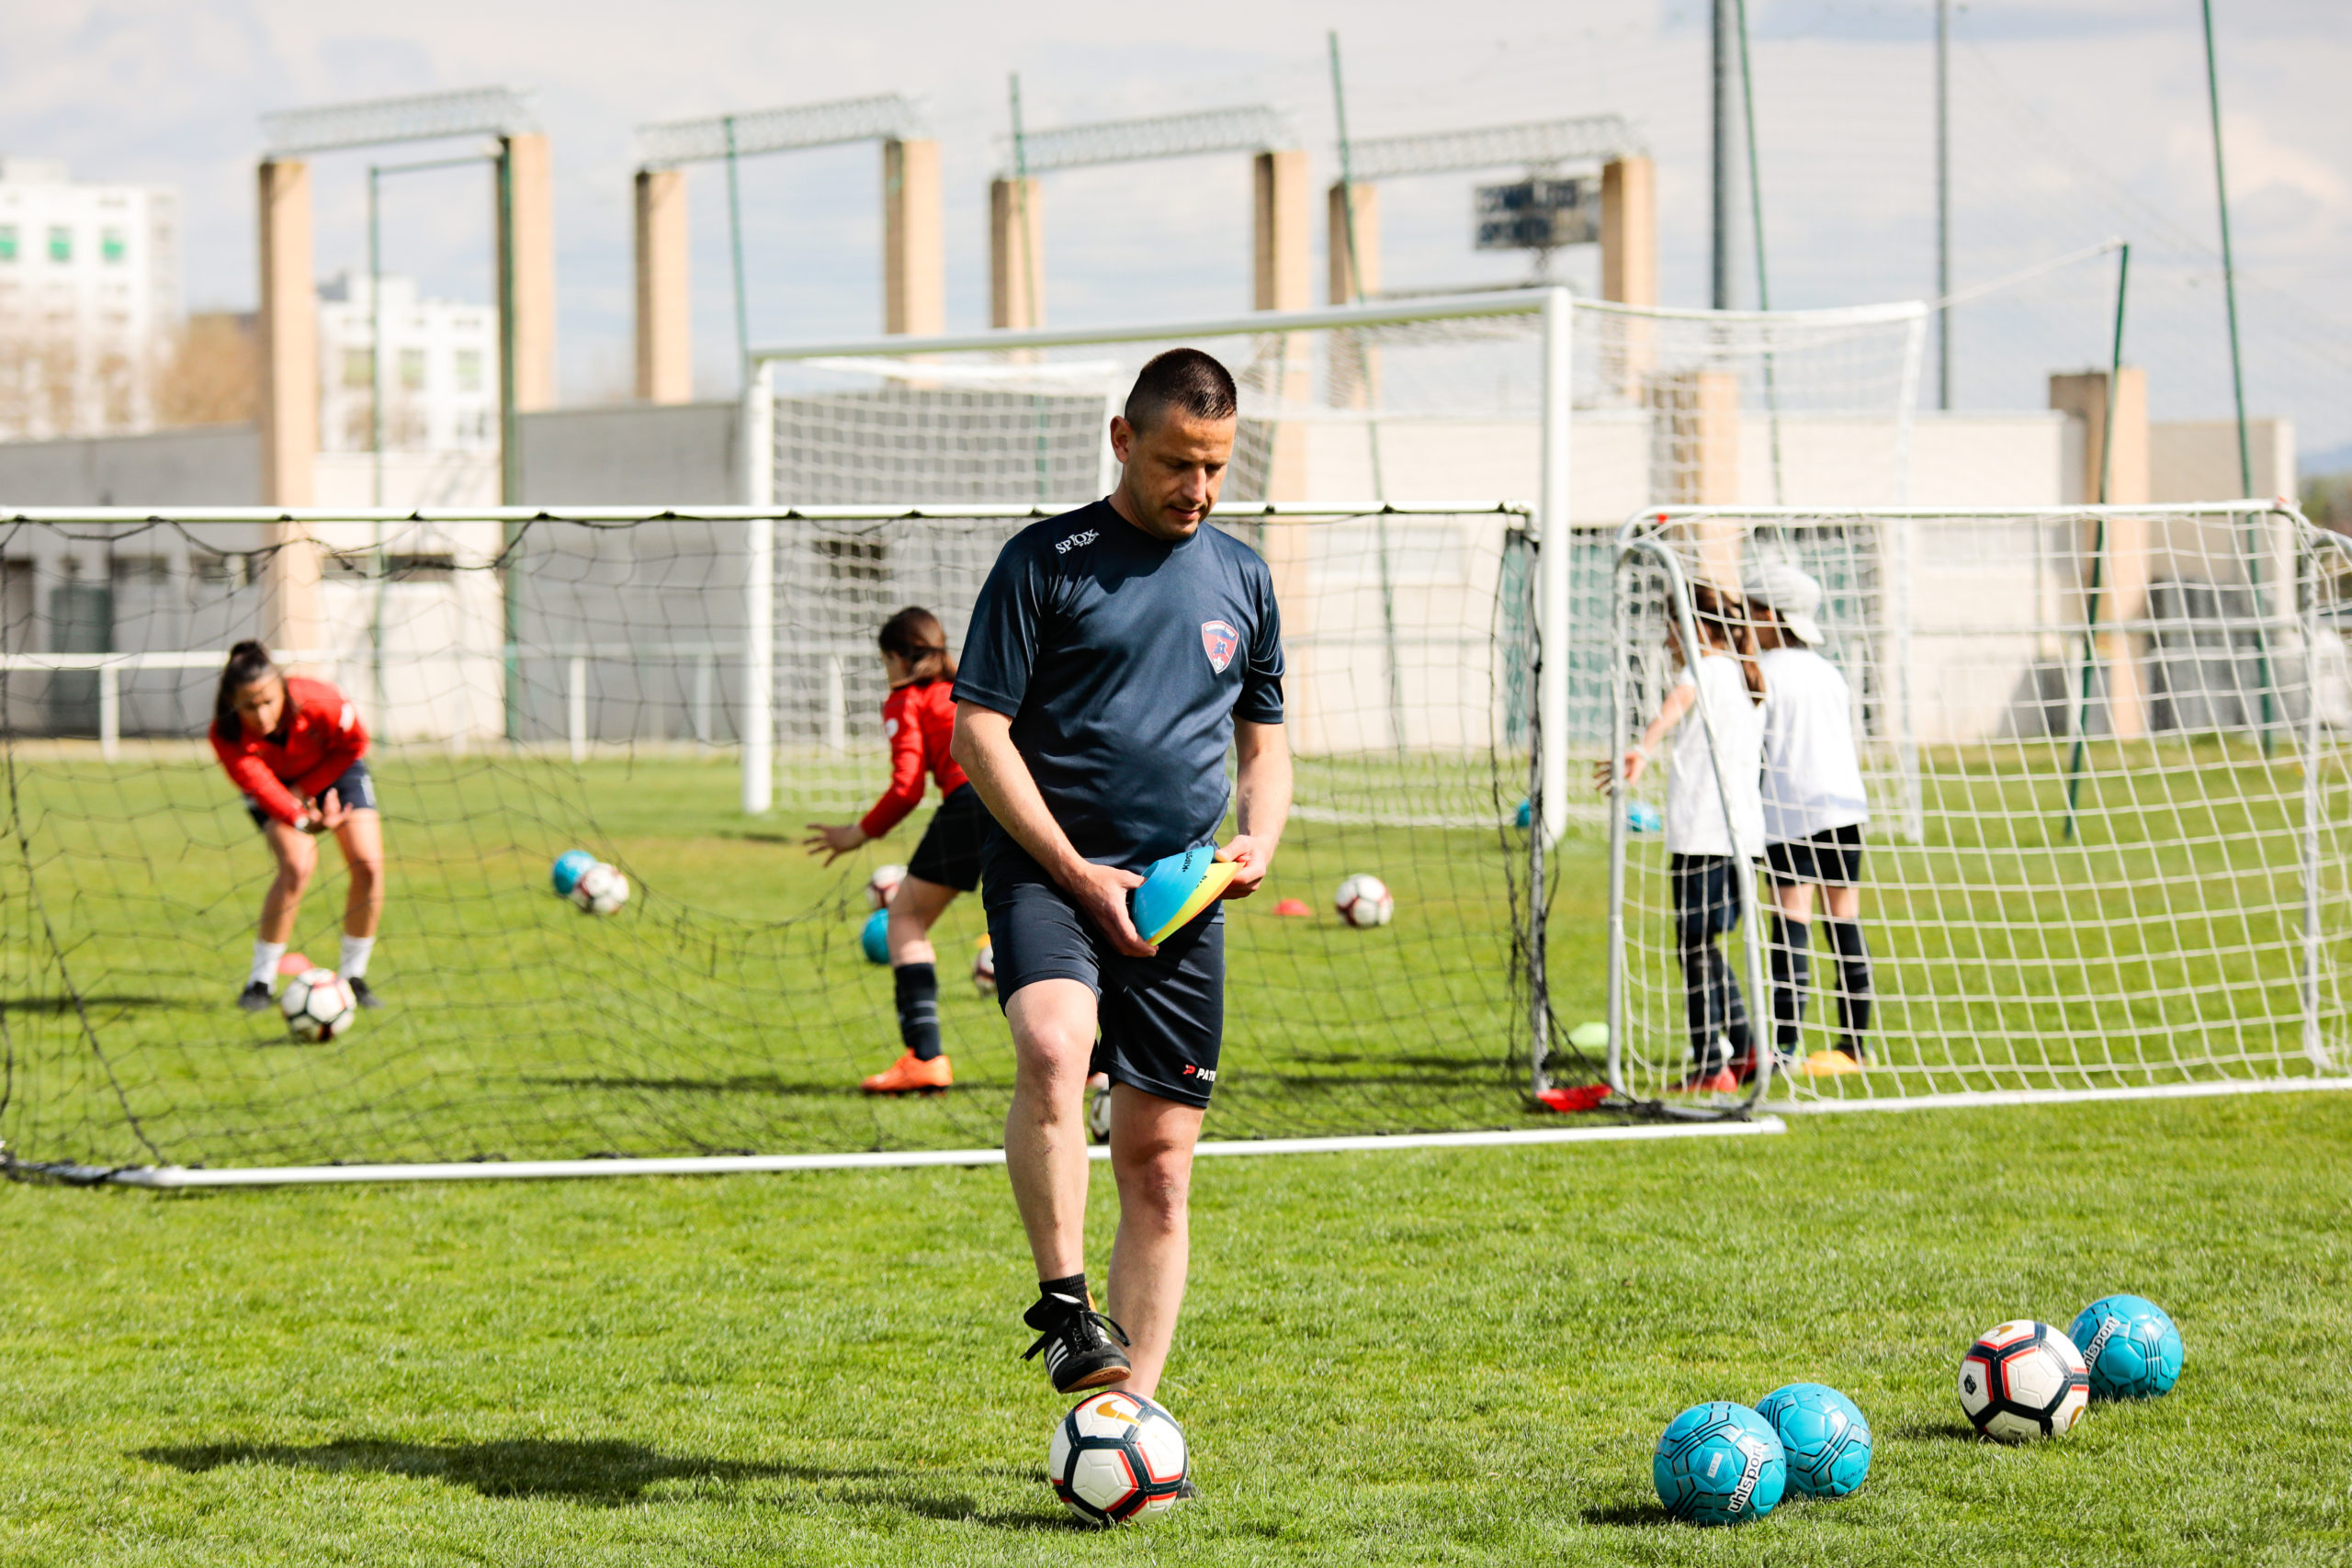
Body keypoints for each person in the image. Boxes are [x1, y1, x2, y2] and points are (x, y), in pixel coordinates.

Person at [950, 347, 1290, 1416]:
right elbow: (977, 731)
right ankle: (1064, 1309)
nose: (1197, 488)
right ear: (1122, 440)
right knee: (1054, 1047)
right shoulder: (1045, 561)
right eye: (1178, 463)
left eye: (1217, 467)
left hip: (1181, 894)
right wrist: (1072, 870)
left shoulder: (1242, 575)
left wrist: (1258, 841)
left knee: (1159, 1166)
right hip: (1050, 872)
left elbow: (1265, 742)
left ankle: (1126, 1423)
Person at [804, 606, 988, 1094]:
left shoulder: (907, 699)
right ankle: (1095, 1065)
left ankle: (925, 1056)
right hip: (1031, 800)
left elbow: (906, 789)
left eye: (886, 661)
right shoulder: (974, 681)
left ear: (899, 658)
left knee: (904, 918)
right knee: (1028, 931)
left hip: (972, 804)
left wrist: (856, 834)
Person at [1596, 584, 1766, 1092]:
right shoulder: (1745, 674)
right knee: (1706, 945)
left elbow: (1675, 705)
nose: (1666, 640)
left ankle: (1711, 1065)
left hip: (1702, 832)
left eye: (1670, 628)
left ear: (1691, 629)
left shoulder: (1704, 670)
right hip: (1743, 834)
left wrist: (1642, 750)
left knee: (1693, 947)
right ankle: (1747, 1047)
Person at [1743, 561, 1872, 1074]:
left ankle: (1786, 1047)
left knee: (1790, 922)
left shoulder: (1762, 676)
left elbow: (1755, 752)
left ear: (1772, 616)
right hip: (1844, 809)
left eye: (1750, 613)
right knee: (1843, 920)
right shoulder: (1830, 674)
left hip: (1789, 811)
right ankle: (1856, 1045)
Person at [208, 642, 386, 1011]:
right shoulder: (225, 735)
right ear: (231, 702)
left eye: (267, 702)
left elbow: (356, 744)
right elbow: (262, 787)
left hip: (335, 768)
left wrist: (309, 790)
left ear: (283, 689)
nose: (260, 714)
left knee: (368, 866)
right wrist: (303, 817)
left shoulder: (320, 700)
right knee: (296, 866)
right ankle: (260, 983)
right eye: (249, 706)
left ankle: (353, 978)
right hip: (276, 787)